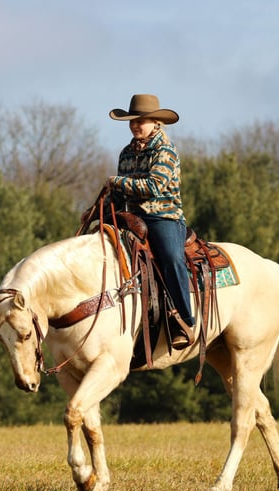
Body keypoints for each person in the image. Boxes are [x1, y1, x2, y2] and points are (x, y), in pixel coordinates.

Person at [105, 94, 195, 349]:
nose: (135, 125)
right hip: (131, 217)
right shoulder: (126, 153)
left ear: (156, 122)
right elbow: (120, 193)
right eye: (132, 121)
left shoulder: (165, 151)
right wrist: (103, 206)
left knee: (171, 257)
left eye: (141, 121)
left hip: (162, 216)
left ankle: (184, 319)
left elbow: (153, 187)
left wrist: (117, 182)